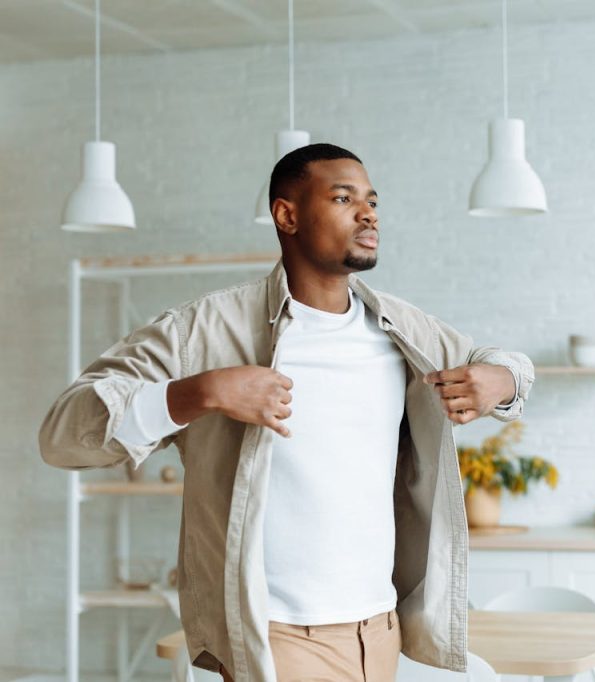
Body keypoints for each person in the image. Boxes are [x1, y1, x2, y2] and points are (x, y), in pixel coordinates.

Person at [38, 143, 534, 682]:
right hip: (277, 635)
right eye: (344, 198)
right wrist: (200, 392)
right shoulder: (203, 332)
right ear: (286, 215)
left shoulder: (402, 329)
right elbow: (64, 431)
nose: (368, 213)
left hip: (379, 628)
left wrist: (500, 380)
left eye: (372, 201)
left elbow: (506, 366)